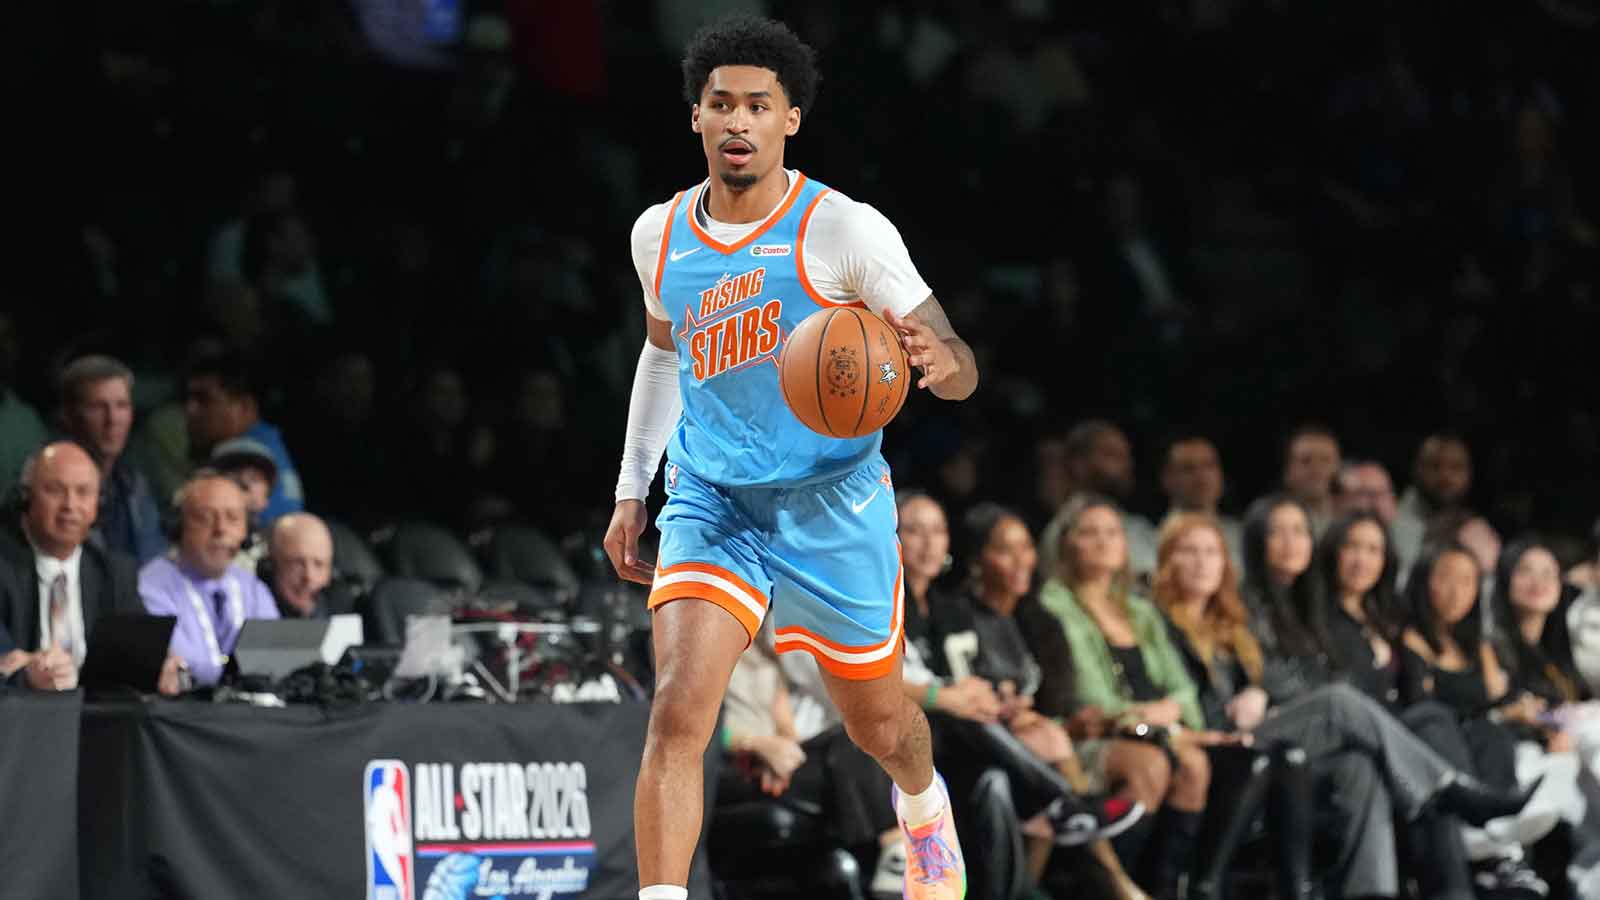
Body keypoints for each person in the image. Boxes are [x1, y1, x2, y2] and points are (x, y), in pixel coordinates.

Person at [601, 18, 980, 900]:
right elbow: (664, 355)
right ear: (696, 117)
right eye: (721, 104)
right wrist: (631, 490)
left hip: (830, 500)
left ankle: (924, 808)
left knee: (880, 724)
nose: (738, 120)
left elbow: (959, 359)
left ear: (790, 121)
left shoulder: (844, 230)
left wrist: (937, 363)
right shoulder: (658, 234)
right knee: (678, 715)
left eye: (758, 106)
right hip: (713, 498)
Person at [1027, 494, 1214, 898]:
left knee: (1195, 767)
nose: (1103, 541)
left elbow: (1182, 687)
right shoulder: (1055, 605)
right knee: (1148, 766)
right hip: (1092, 734)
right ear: (1066, 544)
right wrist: (1149, 716)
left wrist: (1169, 712)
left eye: (1112, 532)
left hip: (1156, 729)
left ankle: (1164, 889)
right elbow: (1087, 696)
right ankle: (1112, 887)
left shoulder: (1139, 609)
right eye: (1089, 532)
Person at [0, 441, 182, 694]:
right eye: (55, 490)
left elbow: (139, 657)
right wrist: (24, 675)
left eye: (83, 492)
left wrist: (162, 667)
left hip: (97, 722)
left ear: (99, 504)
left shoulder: (115, 573)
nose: (70, 505)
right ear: (24, 497)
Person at [139, 470, 279, 686]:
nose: (221, 529)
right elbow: (186, 668)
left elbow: (275, 660)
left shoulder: (253, 588)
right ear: (178, 526)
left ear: (246, 530)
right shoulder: (150, 586)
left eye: (232, 518)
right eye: (205, 517)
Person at [55, 354, 166, 563]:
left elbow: (153, 563)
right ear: (68, 415)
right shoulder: (46, 487)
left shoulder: (134, 485)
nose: (113, 419)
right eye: (97, 407)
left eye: (122, 405)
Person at [182, 350, 304, 526]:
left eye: (204, 400)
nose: (190, 410)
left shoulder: (244, 459)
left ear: (245, 407)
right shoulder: (270, 443)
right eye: (188, 399)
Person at [1061, 420, 1158, 579]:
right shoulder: (1068, 526)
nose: (1126, 464)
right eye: (1112, 455)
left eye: (1126, 455)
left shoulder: (1138, 526)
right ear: (1079, 464)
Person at [1157, 434, 1242, 568]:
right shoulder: (1152, 538)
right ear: (1167, 479)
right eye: (1188, 469)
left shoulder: (1240, 536)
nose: (1201, 477)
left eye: (1209, 465)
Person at [1393, 434, 1474, 571]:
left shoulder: (1473, 526)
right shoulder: (1393, 518)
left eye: (1456, 467)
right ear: (1417, 469)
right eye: (1435, 466)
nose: (1446, 476)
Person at [209, 435, 278, 570]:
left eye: (254, 478)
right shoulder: (191, 540)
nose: (244, 484)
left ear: (266, 500)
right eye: (232, 475)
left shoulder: (275, 552)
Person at [264, 512, 334, 619]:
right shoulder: (248, 606)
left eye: (319, 564)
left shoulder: (343, 609)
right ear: (272, 564)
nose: (309, 576)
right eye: (298, 563)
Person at [1280, 425, 1341, 537]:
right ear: (1287, 470)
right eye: (1306, 461)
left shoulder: (1348, 523)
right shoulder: (1270, 525)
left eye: (1325, 460)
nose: (1316, 470)